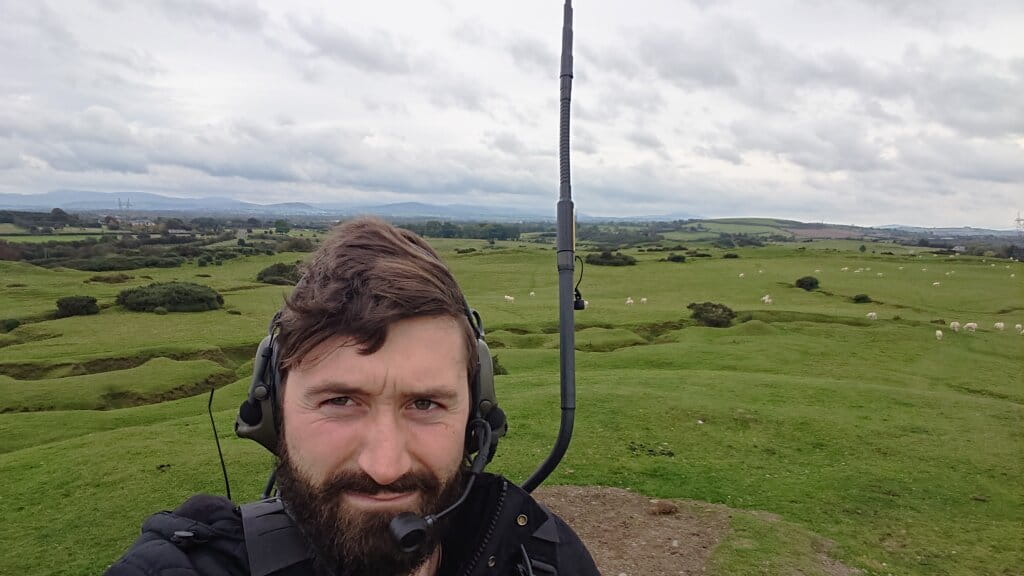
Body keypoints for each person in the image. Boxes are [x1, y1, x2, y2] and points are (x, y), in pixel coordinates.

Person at [105, 217, 600, 576]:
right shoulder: (186, 566)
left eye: (425, 404)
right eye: (340, 401)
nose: (385, 466)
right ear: (275, 411)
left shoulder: (541, 555)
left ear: (476, 417)